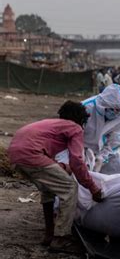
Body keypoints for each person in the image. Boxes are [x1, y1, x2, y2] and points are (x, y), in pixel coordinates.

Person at [7, 101, 103, 249]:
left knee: (48, 190)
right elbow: (77, 160)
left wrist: (62, 167)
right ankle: (61, 237)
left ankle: (49, 234)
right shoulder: (75, 128)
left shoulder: (52, 124)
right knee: (70, 189)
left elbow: (46, 156)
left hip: (15, 155)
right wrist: (93, 188)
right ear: (81, 119)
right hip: (32, 154)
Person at [82, 84, 120, 175]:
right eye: (112, 109)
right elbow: (74, 134)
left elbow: (116, 138)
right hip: (83, 149)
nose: (115, 112)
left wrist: (102, 157)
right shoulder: (86, 108)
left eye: (118, 110)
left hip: (105, 151)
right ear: (104, 104)